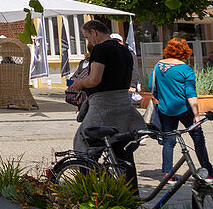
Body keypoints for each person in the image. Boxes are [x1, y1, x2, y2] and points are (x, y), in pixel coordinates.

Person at [69, 20, 147, 189]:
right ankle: (131, 199)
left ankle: (87, 190)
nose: (89, 41)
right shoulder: (125, 50)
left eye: (87, 37)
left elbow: (95, 79)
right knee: (123, 154)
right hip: (124, 106)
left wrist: (80, 84)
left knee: (84, 145)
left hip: (104, 106)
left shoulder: (100, 49)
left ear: (94, 32)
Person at [150, 38, 213, 184]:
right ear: (185, 51)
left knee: (169, 141)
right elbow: (190, 93)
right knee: (198, 138)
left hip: (165, 109)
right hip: (184, 109)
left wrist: (164, 97)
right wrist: (196, 114)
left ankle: (167, 174)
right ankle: (208, 172)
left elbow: (152, 87)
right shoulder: (185, 69)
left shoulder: (158, 66)